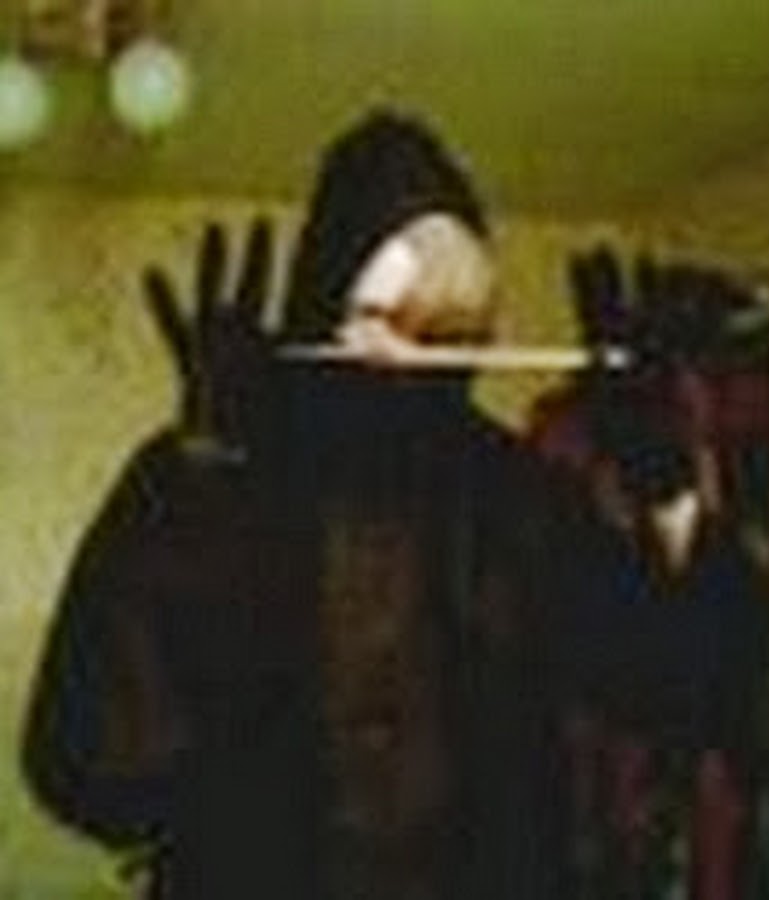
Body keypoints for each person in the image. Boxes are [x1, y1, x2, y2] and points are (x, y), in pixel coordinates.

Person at [21, 109, 579, 900]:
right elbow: (90, 777)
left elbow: (673, 695)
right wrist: (201, 490)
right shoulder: (209, 472)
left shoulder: (514, 491)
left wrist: (668, 498)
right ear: (328, 288)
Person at [561, 423, 769, 900]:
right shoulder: (633, 556)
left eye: (605, 483)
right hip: (664, 738)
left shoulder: (718, 551)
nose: (597, 496)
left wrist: (717, 748)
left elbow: (735, 654)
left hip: (713, 736)